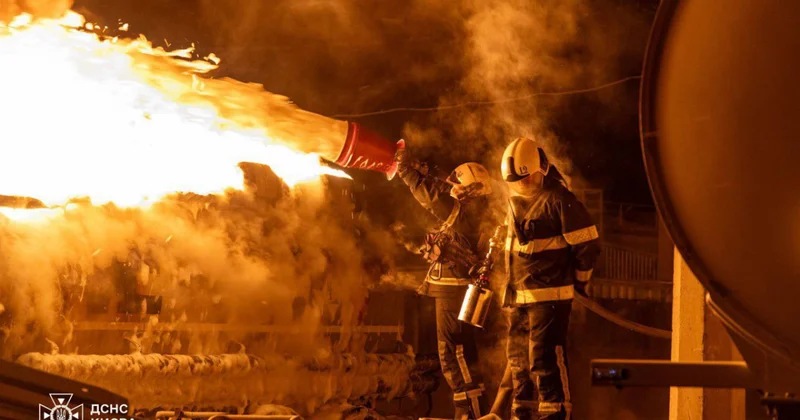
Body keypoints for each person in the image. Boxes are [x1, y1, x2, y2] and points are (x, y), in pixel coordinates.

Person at [498, 137, 601, 420]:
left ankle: (555, 414)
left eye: (527, 179)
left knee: (544, 360)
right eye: (517, 182)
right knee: (518, 361)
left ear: (540, 169)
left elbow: (588, 246)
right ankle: (522, 413)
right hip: (518, 297)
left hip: (550, 298)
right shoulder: (514, 203)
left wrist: (581, 281)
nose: (522, 186)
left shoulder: (560, 201)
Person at [395, 146, 492, 420]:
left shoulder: (463, 213)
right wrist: (424, 169)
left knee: (452, 353)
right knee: (463, 353)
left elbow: (430, 198)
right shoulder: (476, 213)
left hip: (452, 292)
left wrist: (406, 171)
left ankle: (468, 413)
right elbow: (439, 191)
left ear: (467, 190)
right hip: (460, 291)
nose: (452, 188)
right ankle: (472, 410)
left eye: (456, 184)